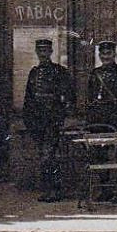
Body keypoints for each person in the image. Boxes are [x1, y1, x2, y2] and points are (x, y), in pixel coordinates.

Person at [22, 38, 75, 202]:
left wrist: (63, 116)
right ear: (37, 53)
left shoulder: (60, 72)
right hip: (38, 121)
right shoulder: (34, 73)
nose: (43, 54)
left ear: (51, 52)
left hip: (53, 120)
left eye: (46, 51)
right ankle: (49, 189)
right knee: (44, 156)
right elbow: (28, 99)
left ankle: (54, 189)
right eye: (40, 51)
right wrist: (28, 119)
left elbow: (69, 97)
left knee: (49, 156)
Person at [86, 41, 117, 131]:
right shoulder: (95, 73)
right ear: (99, 55)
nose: (106, 57)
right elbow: (89, 95)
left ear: (114, 54)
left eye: (109, 53)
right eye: (103, 54)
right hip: (98, 117)